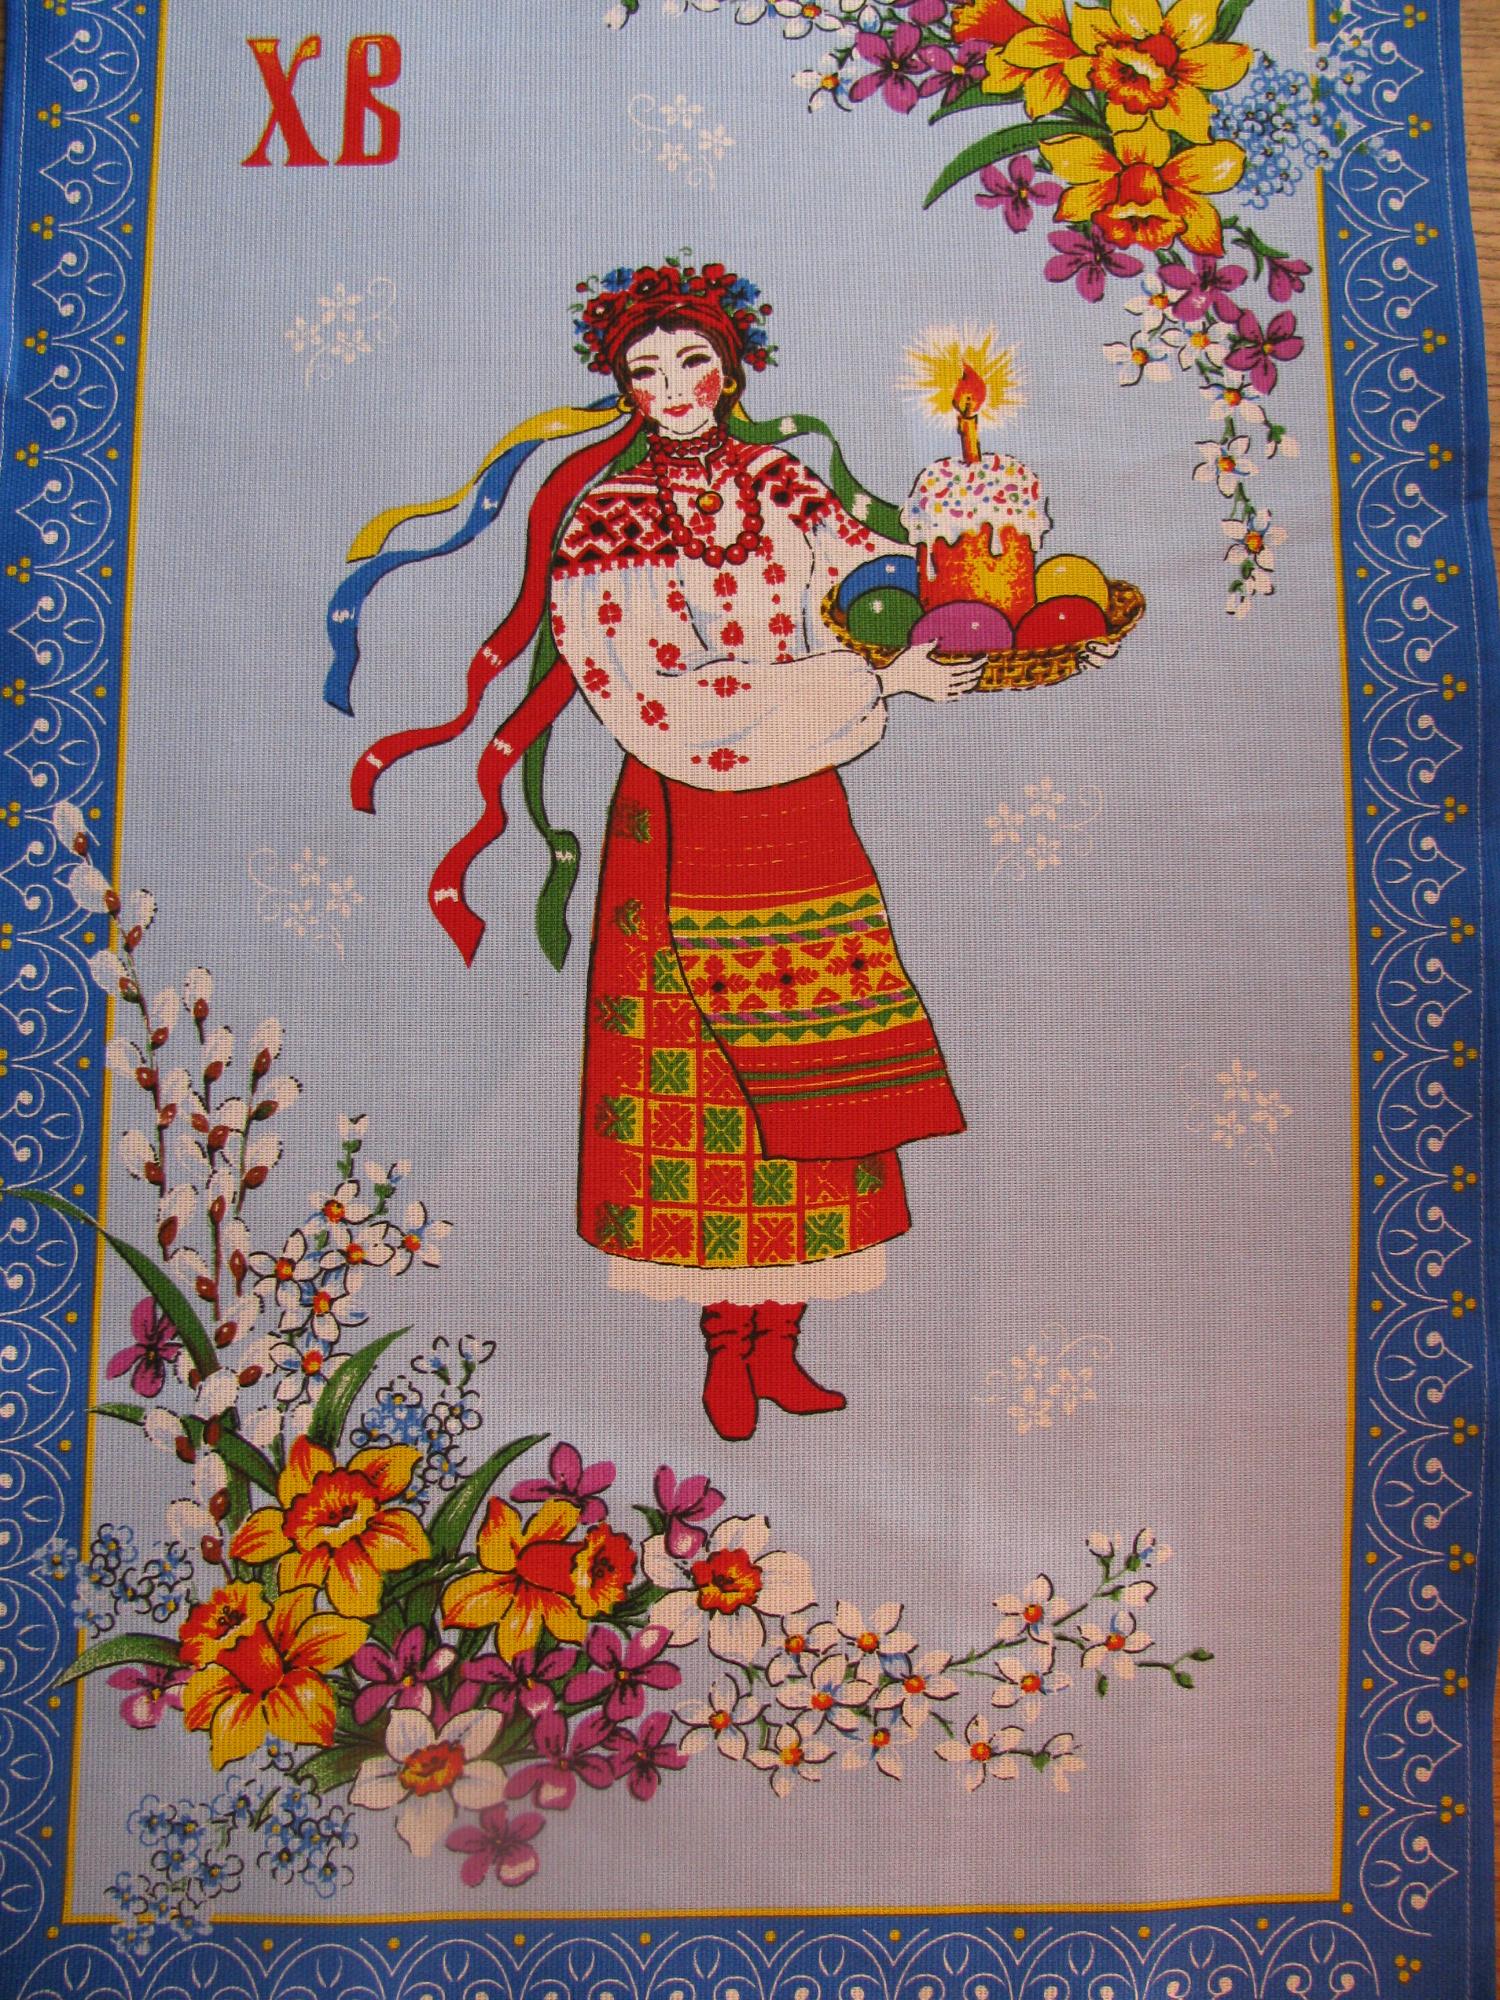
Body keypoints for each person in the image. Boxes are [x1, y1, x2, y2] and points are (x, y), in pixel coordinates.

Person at [335, 256, 979, 1443]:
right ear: (623, 387)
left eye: (693, 362)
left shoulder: (788, 485)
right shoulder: (609, 519)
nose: (674, 387)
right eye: (646, 370)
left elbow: (873, 585)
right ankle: (726, 1345)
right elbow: (658, 697)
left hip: (805, 822)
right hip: (684, 821)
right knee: (714, 1086)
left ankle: (783, 1340)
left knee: (819, 1070)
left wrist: (969, 601)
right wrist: (870, 680)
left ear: (733, 368)